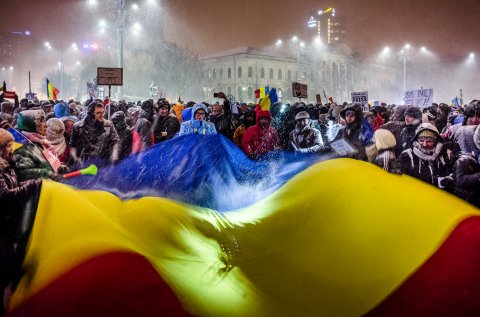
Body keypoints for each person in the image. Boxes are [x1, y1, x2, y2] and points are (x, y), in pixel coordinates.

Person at [0, 128, 41, 315]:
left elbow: (15, 187)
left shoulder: (7, 166)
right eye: (7, 145)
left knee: (8, 269)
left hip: (8, 227)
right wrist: (31, 186)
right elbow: (5, 197)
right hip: (2, 229)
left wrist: (33, 184)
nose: (12, 148)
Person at [392, 123, 452, 189]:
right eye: (421, 140)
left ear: (435, 141)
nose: (424, 144)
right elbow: (396, 174)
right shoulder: (407, 155)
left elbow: (449, 172)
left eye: (429, 141)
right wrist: (436, 181)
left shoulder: (443, 154)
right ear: (416, 140)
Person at [13, 109, 64, 182]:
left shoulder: (41, 142)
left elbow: (45, 162)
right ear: (31, 125)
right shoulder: (22, 146)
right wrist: (49, 174)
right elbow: (24, 173)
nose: (46, 125)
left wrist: (59, 167)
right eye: (41, 121)